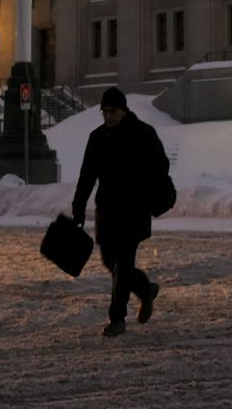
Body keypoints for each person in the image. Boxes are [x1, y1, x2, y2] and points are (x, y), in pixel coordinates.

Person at [72, 87, 167, 336]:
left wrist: (148, 189)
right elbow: (87, 175)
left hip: (134, 209)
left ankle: (117, 319)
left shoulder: (143, 134)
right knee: (109, 262)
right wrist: (78, 207)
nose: (108, 116)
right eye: (104, 112)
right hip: (107, 209)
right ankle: (145, 290)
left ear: (124, 110)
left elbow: (161, 166)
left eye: (112, 111)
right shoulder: (98, 137)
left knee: (123, 263)